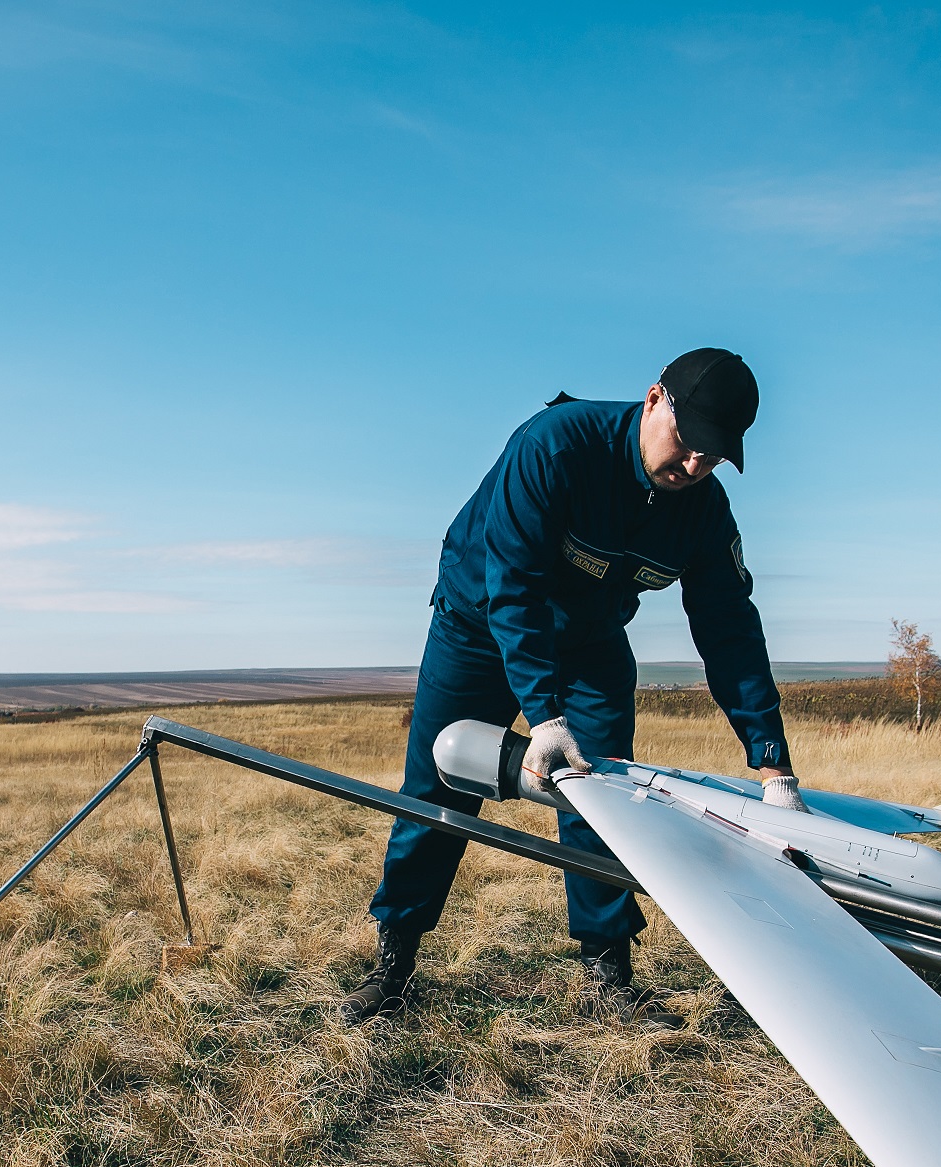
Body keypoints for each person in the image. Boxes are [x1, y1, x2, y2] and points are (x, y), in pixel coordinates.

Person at [341, 347, 806, 1026]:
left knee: (603, 799)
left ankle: (605, 976)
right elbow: (512, 588)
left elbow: (729, 628)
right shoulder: (553, 446)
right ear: (653, 401)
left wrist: (772, 764)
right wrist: (543, 715)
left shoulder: (701, 510)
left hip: (588, 644)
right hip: (477, 625)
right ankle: (394, 964)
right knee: (438, 793)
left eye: (712, 455)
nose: (692, 467)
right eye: (687, 444)